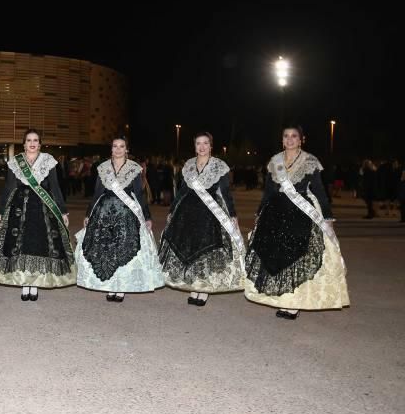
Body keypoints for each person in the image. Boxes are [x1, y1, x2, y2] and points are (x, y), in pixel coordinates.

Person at [244, 126, 349, 319]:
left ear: (301, 140)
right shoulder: (275, 161)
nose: (290, 139)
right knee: (276, 255)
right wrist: (259, 213)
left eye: (294, 136)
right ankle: (285, 300)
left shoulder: (310, 161)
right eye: (286, 136)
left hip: (301, 213)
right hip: (275, 213)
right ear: (282, 140)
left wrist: (327, 217)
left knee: (297, 254)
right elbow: (268, 192)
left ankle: (295, 303)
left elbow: (320, 191)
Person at [0, 129, 75, 301]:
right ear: (24, 143)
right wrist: (0, 211)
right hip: (20, 208)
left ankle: (34, 285)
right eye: (29, 140)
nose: (32, 143)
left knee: (39, 245)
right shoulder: (15, 162)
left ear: (40, 144)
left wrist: (63, 210)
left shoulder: (48, 161)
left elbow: (55, 188)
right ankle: (25, 284)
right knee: (21, 245)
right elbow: (8, 188)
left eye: (35, 140)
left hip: (43, 209)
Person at [159, 132, 245, 306]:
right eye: (198, 143)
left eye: (205, 143)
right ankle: (194, 286)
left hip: (210, 213)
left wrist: (233, 214)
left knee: (206, 250)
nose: (202, 146)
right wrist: (172, 209)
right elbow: (182, 190)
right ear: (195, 146)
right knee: (191, 248)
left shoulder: (219, 166)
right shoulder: (189, 165)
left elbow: (226, 193)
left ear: (211, 145)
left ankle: (204, 290)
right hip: (188, 212)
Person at [75, 137, 163, 301]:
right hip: (104, 213)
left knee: (123, 248)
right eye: (115, 146)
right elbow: (97, 193)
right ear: (111, 149)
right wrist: (88, 214)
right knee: (107, 249)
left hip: (126, 214)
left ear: (126, 149)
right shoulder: (103, 168)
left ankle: (121, 287)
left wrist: (147, 216)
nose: (118, 149)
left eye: (121, 146)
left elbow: (139, 194)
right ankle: (111, 285)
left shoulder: (134, 169)